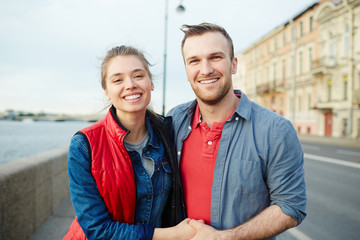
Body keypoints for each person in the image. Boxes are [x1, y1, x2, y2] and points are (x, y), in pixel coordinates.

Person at [167, 23, 307, 239]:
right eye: (194, 61)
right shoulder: (173, 120)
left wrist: (224, 237)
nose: (205, 70)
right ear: (186, 70)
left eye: (215, 57)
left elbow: (291, 207)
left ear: (233, 64)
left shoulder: (275, 130)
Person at [63, 45, 195, 240]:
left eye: (138, 76)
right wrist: (174, 235)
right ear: (107, 91)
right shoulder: (84, 145)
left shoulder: (169, 134)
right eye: (118, 80)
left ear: (151, 82)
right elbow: (97, 230)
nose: (130, 84)